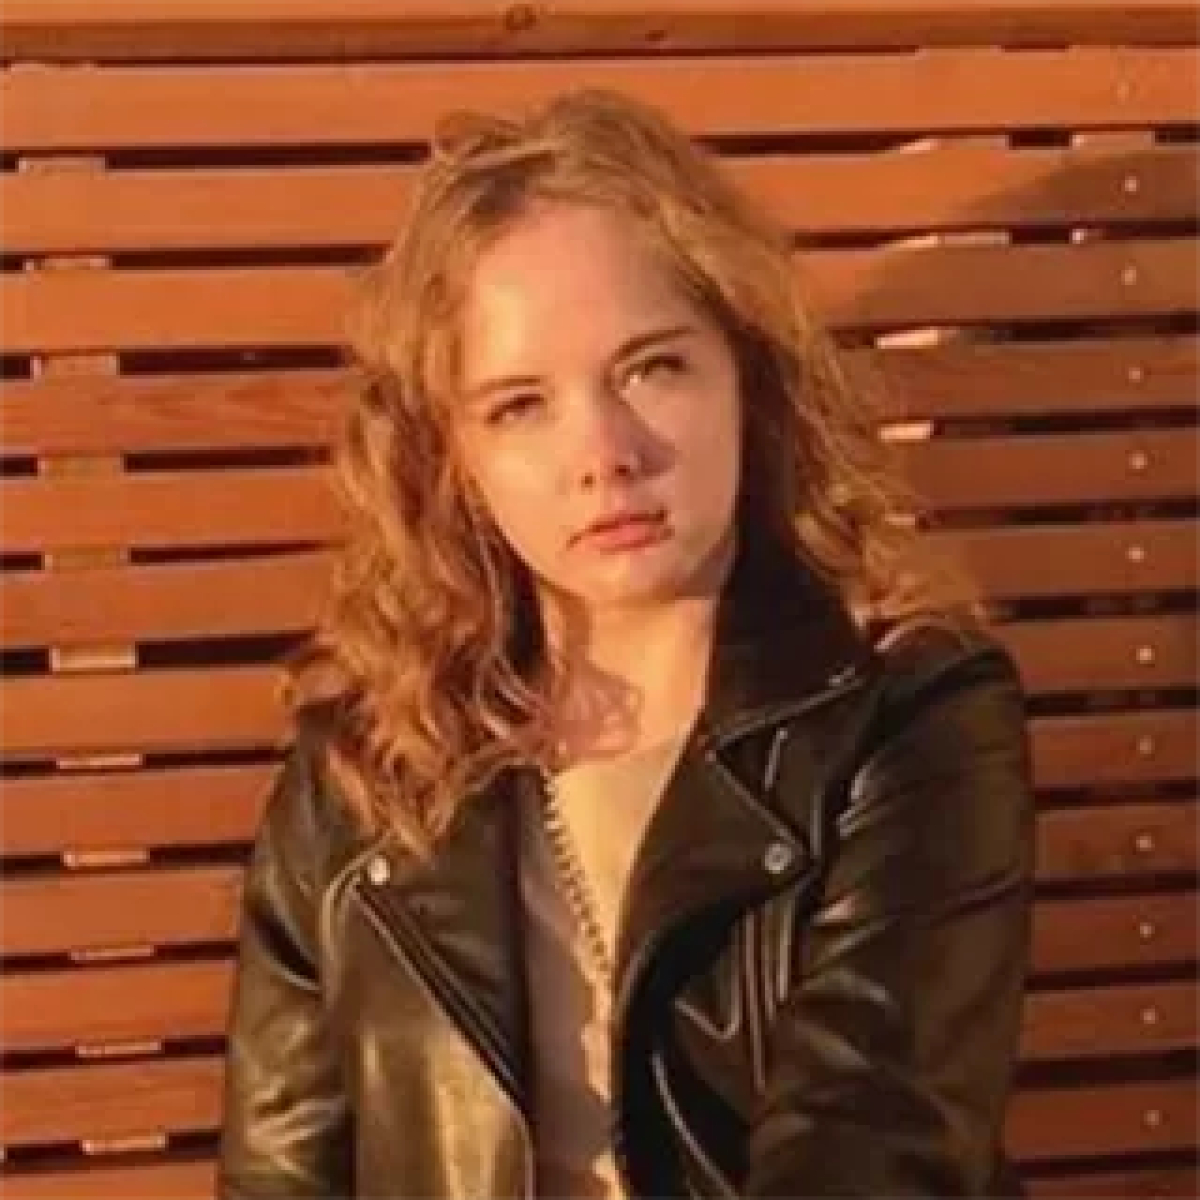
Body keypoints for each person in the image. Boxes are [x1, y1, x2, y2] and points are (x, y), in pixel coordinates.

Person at [216, 88, 1036, 1199]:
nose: (604, 453)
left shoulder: (908, 714)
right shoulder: (360, 775)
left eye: (652, 367)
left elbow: (870, 1144)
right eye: (519, 405)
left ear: (747, 377)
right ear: (452, 457)